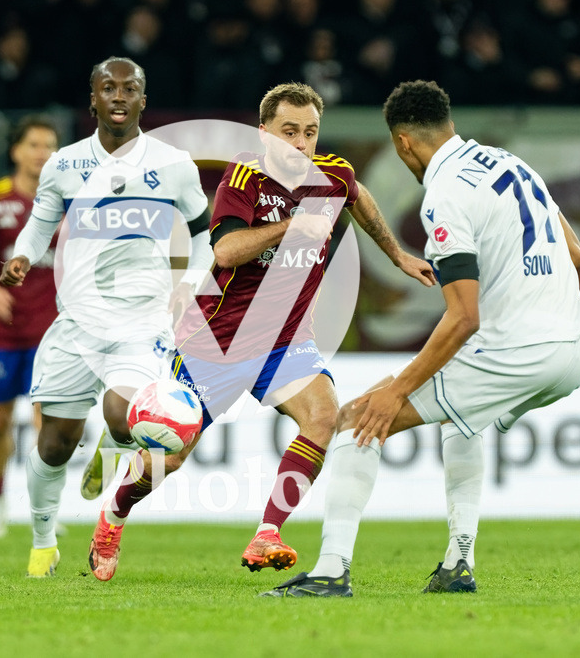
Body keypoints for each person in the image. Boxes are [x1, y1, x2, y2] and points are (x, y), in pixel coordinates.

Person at [85, 81, 435, 582]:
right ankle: (113, 516)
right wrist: (293, 225)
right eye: (289, 131)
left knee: (323, 418)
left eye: (310, 132)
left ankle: (267, 532)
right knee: (170, 456)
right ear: (264, 132)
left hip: (285, 343)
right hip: (216, 342)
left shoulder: (333, 176)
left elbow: (357, 196)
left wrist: (398, 253)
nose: (300, 143)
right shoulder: (243, 177)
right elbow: (225, 251)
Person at [263, 79, 580, 598]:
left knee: (360, 419)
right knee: (463, 422)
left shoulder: (445, 194)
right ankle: (458, 562)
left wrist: (396, 390)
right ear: (450, 126)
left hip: (518, 350)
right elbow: (574, 253)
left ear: (402, 144)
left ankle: (330, 571)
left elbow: (463, 318)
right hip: (574, 345)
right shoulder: (509, 163)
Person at [0, 56, 214, 578]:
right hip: (77, 322)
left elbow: (208, 237)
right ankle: (43, 541)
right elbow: (38, 225)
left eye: (130, 88)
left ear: (144, 99)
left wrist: (189, 284)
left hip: (143, 322)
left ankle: (112, 458)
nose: (119, 96)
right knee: (53, 444)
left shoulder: (173, 164)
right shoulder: (65, 164)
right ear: (92, 98)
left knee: (126, 417)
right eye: (108, 88)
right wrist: (24, 256)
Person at [0, 116, 59, 538]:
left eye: (50, 146)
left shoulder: (70, 199)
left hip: (51, 328)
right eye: (34, 144)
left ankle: (45, 510)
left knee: (47, 423)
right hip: (2, 328)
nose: (42, 152)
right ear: (16, 151)